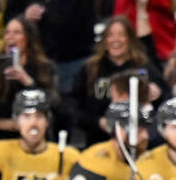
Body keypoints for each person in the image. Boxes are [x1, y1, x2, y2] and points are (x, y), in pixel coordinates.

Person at [69, 15, 167, 146]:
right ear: (104, 40)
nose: (116, 40)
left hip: (139, 142)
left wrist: (158, 95)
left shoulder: (144, 66)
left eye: (121, 34)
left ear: (130, 39)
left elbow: (166, 99)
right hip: (99, 141)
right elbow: (74, 108)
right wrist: (98, 122)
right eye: (110, 35)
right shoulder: (90, 69)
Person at [0, 16, 60, 142]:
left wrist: (27, 80)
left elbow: (54, 104)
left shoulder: (44, 67)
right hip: (4, 139)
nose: (10, 37)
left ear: (28, 38)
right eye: (7, 32)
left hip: (36, 137)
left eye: (17, 32)